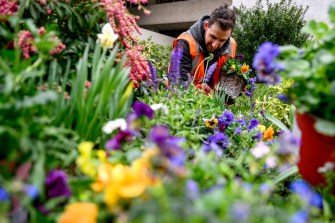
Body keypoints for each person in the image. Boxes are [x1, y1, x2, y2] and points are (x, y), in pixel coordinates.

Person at [172, 4, 237, 89]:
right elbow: (179, 85)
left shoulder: (231, 45)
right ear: (206, 26)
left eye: (222, 40)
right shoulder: (185, 43)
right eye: (213, 36)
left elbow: (226, 82)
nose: (215, 45)